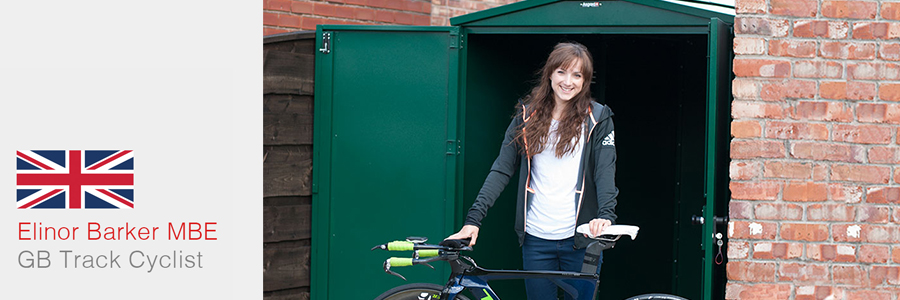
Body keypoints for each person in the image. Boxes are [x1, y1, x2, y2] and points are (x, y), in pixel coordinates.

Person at [446, 41, 618, 300]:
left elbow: (605, 171)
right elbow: (501, 170)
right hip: (536, 240)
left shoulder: (598, 118)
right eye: (561, 72)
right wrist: (473, 220)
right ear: (550, 73)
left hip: (582, 240)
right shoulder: (526, 116)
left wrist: (606, 216)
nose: (567, 81)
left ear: (585, 81)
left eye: (577, 75)